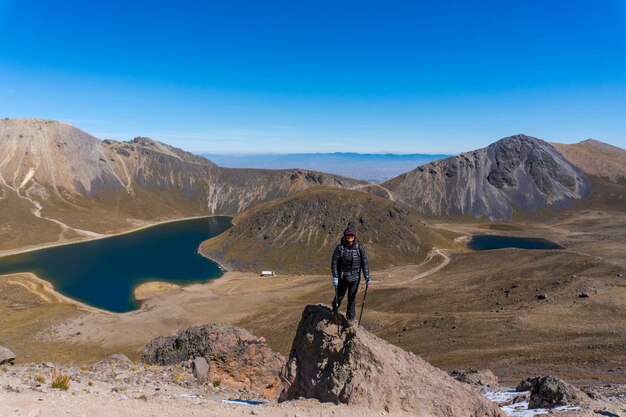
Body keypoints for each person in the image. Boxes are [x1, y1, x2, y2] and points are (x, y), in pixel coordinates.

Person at [331, 225, 370, 324]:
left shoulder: (359, 248)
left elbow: (364, 262)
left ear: (355, 236)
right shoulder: (340, 248)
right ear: (345, 236)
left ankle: (350, 318)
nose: (350, 237)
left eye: (352, 236)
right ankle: (335, 309)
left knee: (352, 298)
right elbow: (334, 263)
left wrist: (367, 276)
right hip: (343, 277)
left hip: (355, 278)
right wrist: (335, 276)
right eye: (348, 236)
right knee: (339, 296)